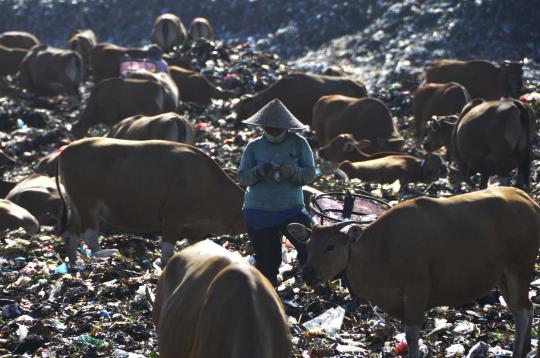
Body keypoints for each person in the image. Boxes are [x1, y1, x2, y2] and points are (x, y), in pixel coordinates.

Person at [238, 99, 316, 287]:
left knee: (310, 248)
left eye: (277, 129)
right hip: (258, 211)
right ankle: (270, 294)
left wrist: (294, 172)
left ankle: (312, 285)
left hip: (291, 209)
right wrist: (259, 170)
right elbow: (242, 178)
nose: (273, 132)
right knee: (268, 261)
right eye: (269, 128)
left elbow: (310, 174)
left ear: (286, 128)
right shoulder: (254, 147)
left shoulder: (299, 144)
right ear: (262, 127)